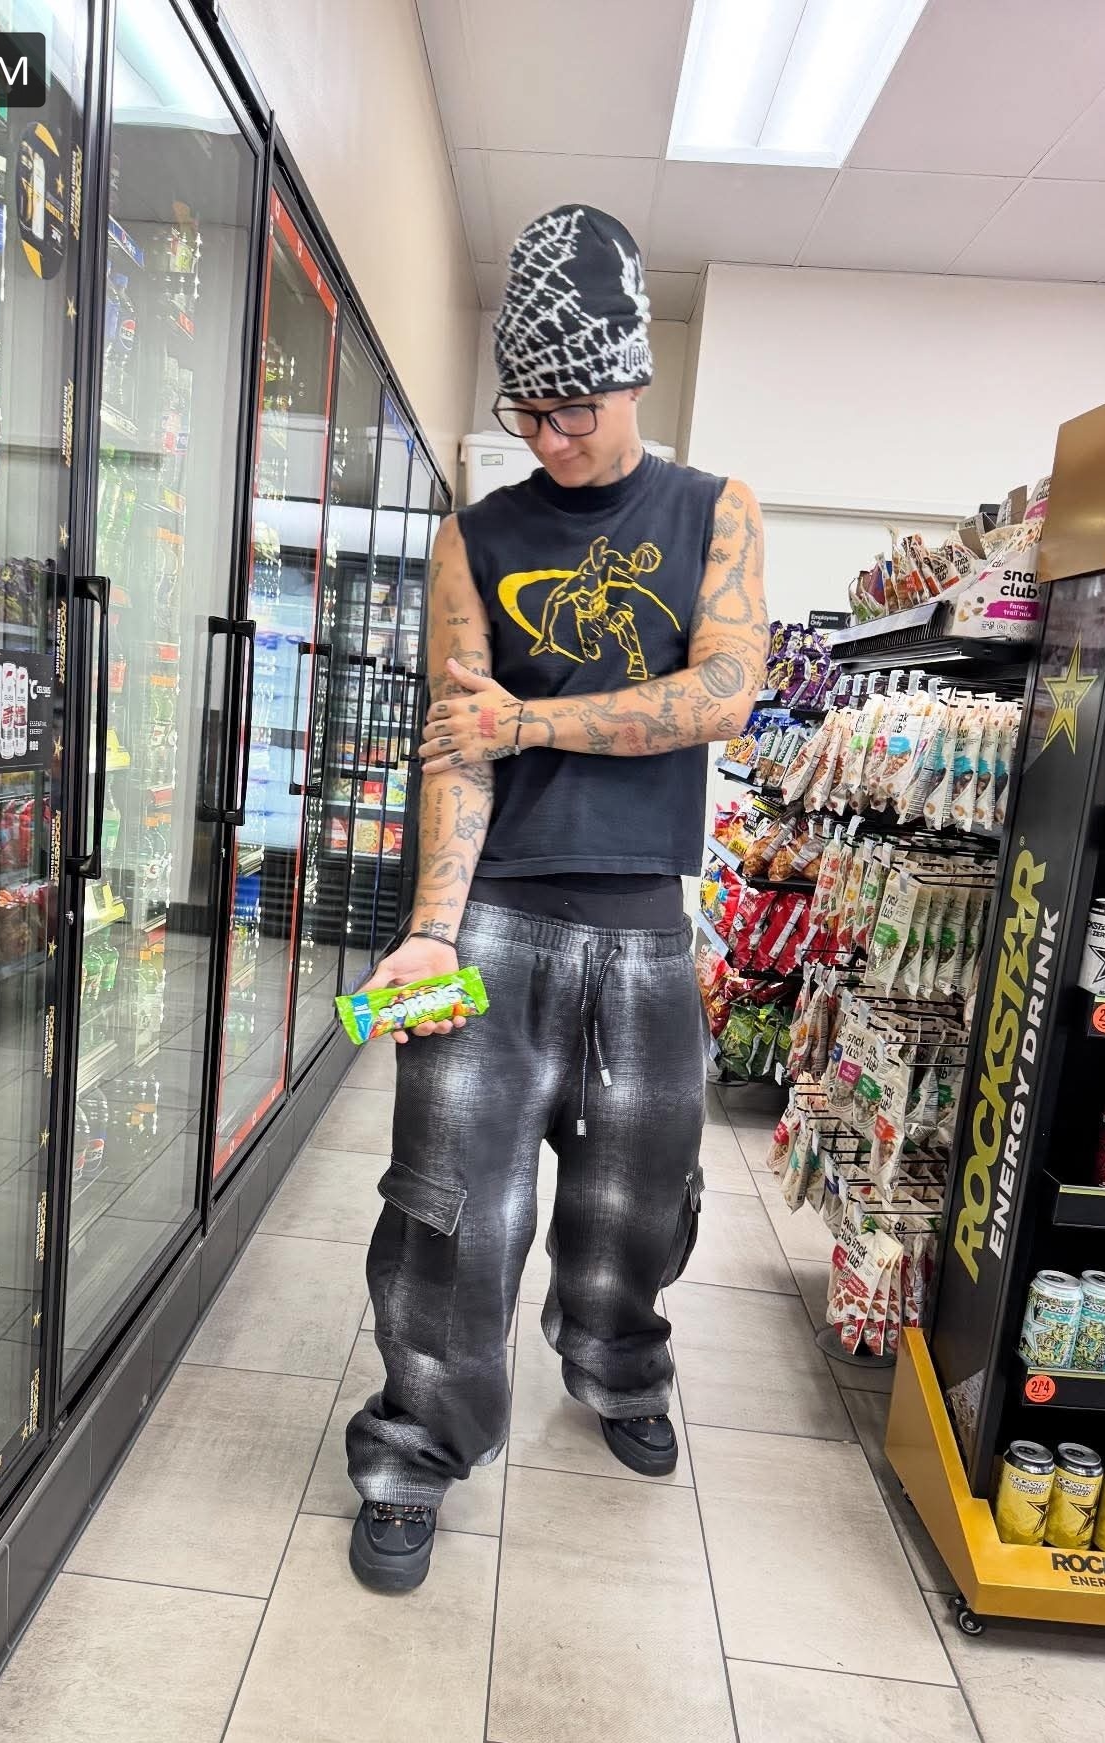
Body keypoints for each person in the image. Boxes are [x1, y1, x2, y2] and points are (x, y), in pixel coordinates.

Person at [346, 204, 769, 1593]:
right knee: (449, 1205)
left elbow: (724, 693)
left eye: (572, 408)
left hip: (646, 922)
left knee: (638, 1197)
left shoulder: (714, 511)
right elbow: (455, 749)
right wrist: (429, 929)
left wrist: (530, 722)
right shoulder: (474, 539)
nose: (549, 437)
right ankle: (414, 1449)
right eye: (526, 412)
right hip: (498, 917)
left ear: (631, 377)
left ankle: (615, 1365)